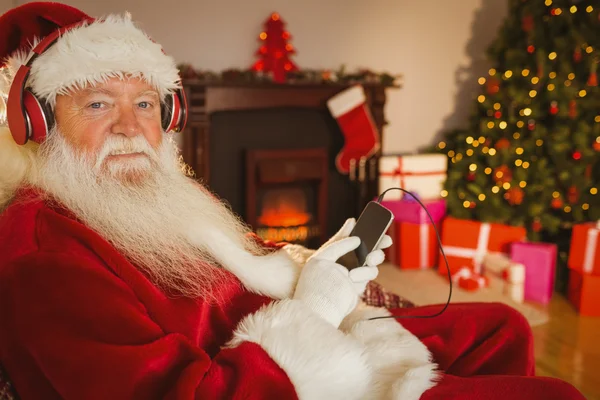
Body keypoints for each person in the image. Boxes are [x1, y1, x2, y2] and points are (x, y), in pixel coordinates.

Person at [0, 3, 586, 400]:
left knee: (503, 326)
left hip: (287, 333)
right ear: (38, 123)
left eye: (146, 104)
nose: (132, 127)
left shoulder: (144, 192)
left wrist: (314, 262)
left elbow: (239, 257)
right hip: (288, 376)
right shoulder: (40, 249)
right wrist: (318, 315)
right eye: (99, 104)